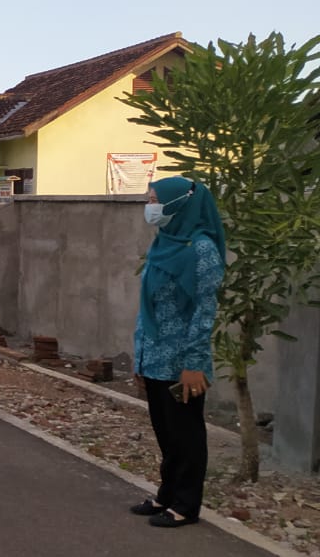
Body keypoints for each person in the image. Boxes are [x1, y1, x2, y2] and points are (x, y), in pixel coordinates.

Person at [128, 177, 225, 528]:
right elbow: (149, 307)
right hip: (154, 357)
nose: (150, 206)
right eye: (149, 199)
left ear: (178, 204)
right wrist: (139, 356)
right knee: (165, 432)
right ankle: (166, 494)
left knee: (186, 433)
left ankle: (186, 504)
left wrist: (194, 364)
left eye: (155, 199)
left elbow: (204, 311)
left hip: (182, 361)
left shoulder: (201, 250)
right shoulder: (163, 243)